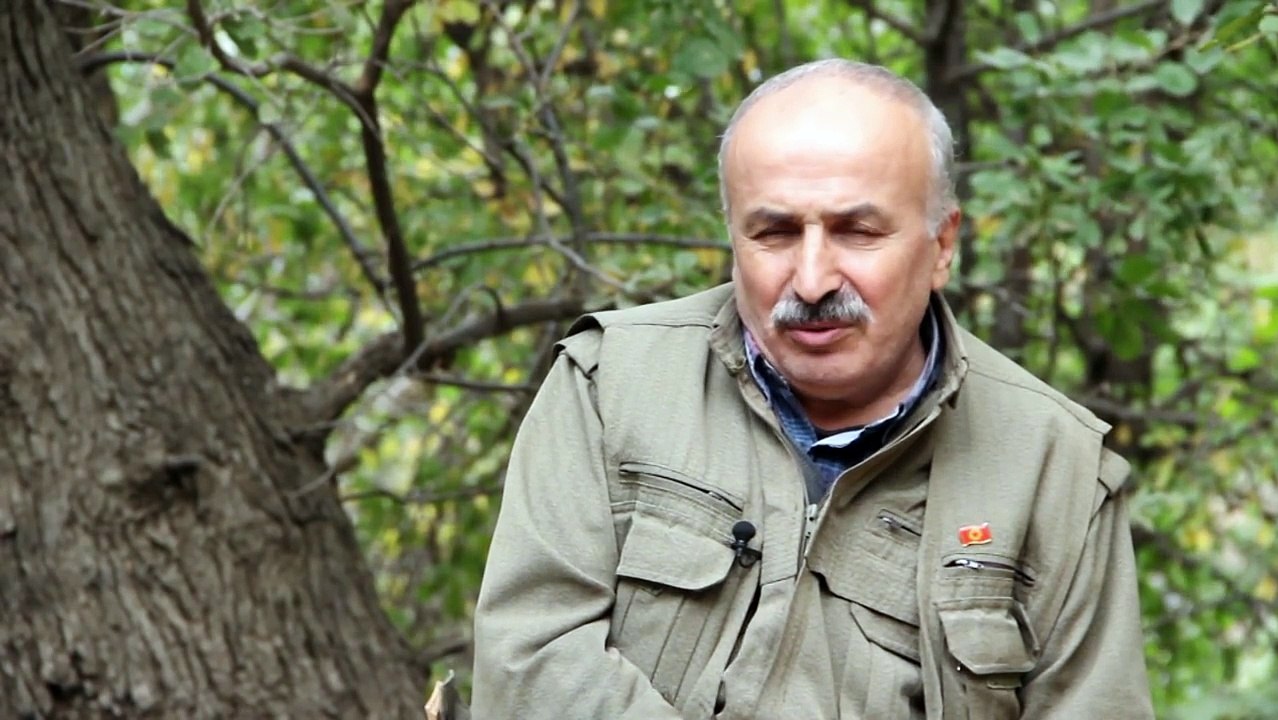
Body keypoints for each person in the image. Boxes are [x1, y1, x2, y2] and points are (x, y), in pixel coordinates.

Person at [470, 58, 1154, 719]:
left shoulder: (1058, 473)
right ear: (733, 237)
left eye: (858, 232)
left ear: (942, 244)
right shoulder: (610, 382)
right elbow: (529, 663)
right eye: (774, 233)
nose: (813, 279)